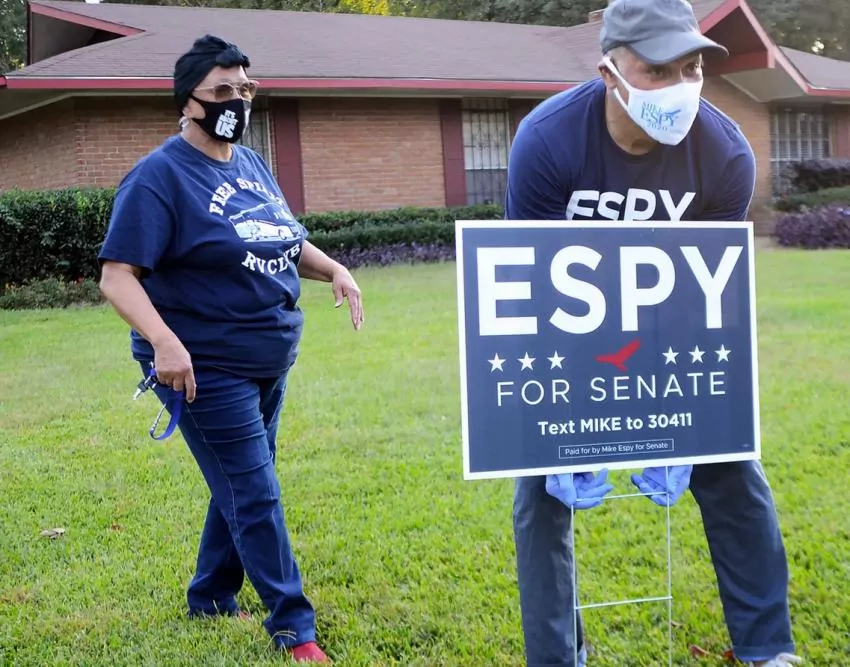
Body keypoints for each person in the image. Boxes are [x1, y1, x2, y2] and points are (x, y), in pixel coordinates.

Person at [504, 1, 801, 666]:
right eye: (658, 70)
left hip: (672, 331)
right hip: (565, 333)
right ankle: (556, 656)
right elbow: (531, 284)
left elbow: (706, 295)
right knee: (540, 490)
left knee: (734, 466)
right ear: (610, 73)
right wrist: (566, 420)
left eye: (691, 68)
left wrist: (683, 415)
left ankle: (767, 648)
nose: (680, 86)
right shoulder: (546, 141)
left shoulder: (724, 153)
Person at [98, 34, 364, 664]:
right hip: (202, 365)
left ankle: (211, 595)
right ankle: (294, 628)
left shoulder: (249, 164)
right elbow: (116, 276)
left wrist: (335, 269)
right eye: (222, 90)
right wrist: (164, 342)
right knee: (255, 490)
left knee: (243, 481)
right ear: (187, 100)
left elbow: (283, 237)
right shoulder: (158, 177)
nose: (237, 101)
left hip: (268, 357)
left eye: (245, 89)